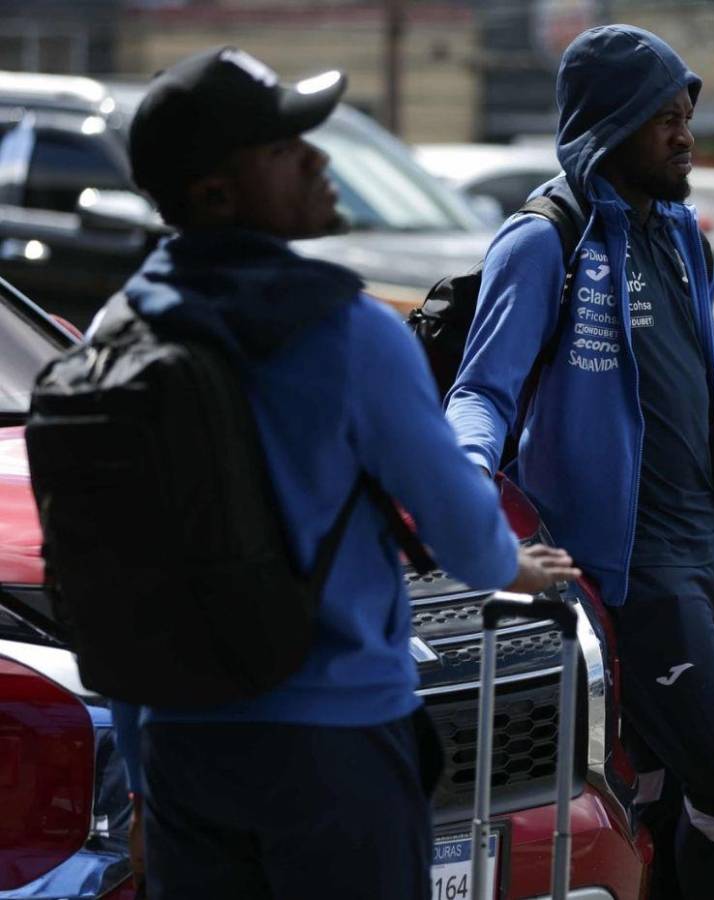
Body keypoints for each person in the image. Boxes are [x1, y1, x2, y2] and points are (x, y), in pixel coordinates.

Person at [108, 47, 578, 900]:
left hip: (182, 750)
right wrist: (515, 567)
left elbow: (125, 577)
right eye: (287, 148)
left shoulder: (120, 328)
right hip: (332, 745)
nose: (322, 160)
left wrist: (143, 780)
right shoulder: (350, 330)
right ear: (217, 193)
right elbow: (465, 536)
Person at [444, 25, 714, 900]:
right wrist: (460, 480)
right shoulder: (544, 238)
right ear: (609, 124)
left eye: (685, 115)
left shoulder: (682, 239)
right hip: (632, 580)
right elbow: (482, 391)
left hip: (707, 566)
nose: (685, 136)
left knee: (667, 800)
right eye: (662, 118)